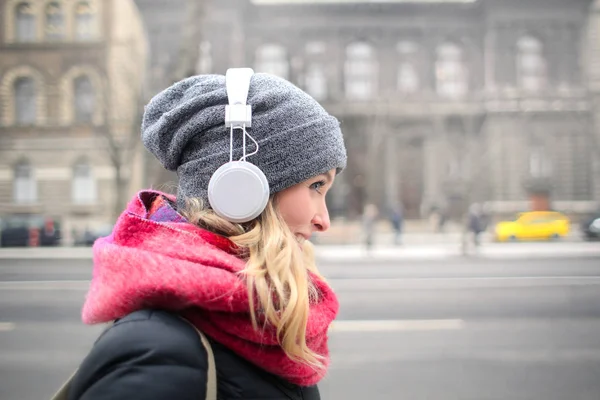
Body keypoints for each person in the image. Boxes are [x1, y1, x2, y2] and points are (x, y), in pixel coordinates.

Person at [65, 70, 347, 399]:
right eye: (315, 186)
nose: (323, 220)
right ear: (240, 188)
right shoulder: (155, 355)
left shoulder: (264, 320)